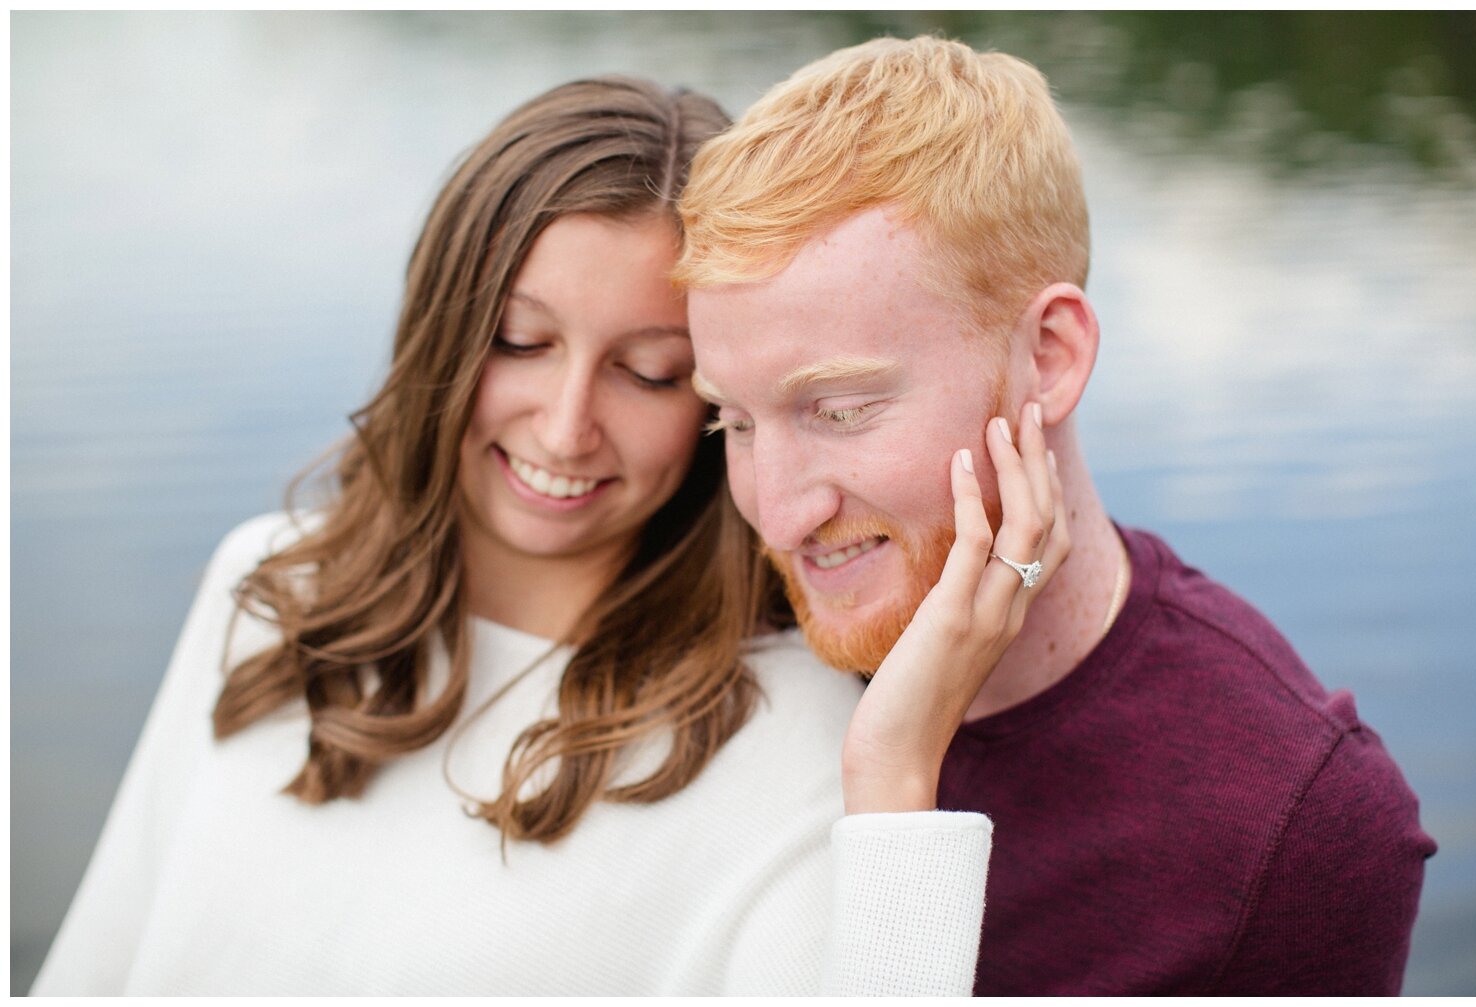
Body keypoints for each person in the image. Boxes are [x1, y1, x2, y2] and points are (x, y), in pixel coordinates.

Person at [32, 76, 1069, 996]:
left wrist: (892, 784)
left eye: (651, 370)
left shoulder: (796, 735)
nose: (567, 426)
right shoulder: (262, 582)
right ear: (442, 329)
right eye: (521, 342)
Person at [676, 36, 1437, 996]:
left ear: (1049, 356)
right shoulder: (715, 638)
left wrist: (893, 783)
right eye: (732, 419)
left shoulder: (1294, 819)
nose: (779, 514)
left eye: (839, 410)